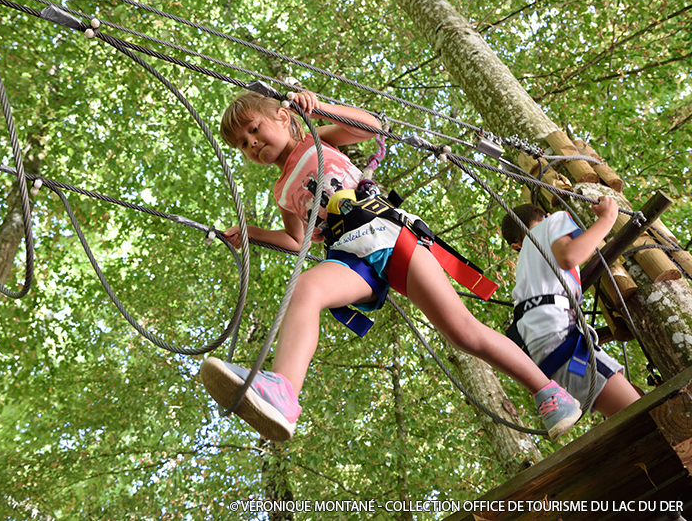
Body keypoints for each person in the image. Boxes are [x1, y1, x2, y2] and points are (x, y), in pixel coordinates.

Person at [200, 89, 582, 442]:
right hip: (349, 257)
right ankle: (283, 392)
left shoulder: (319, 139)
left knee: (463, 333)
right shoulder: (281, 192)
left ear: (283, 116)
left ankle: (549, 392)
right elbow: (296, 241)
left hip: (387, 234)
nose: (251, 143)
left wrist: (318, 109)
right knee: (306, 288)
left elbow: (372, 126)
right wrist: (251, 233)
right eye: (242, 145)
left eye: (253, 129)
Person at [500, 201, 641, 418]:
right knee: (644, 416)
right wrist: (607, 218)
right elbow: (568, 256)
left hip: (543, 352)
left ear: (516, 245)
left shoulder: (525, 265)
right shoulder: (552, 221)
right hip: (559, 335)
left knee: (634, 405)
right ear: (545, 215)